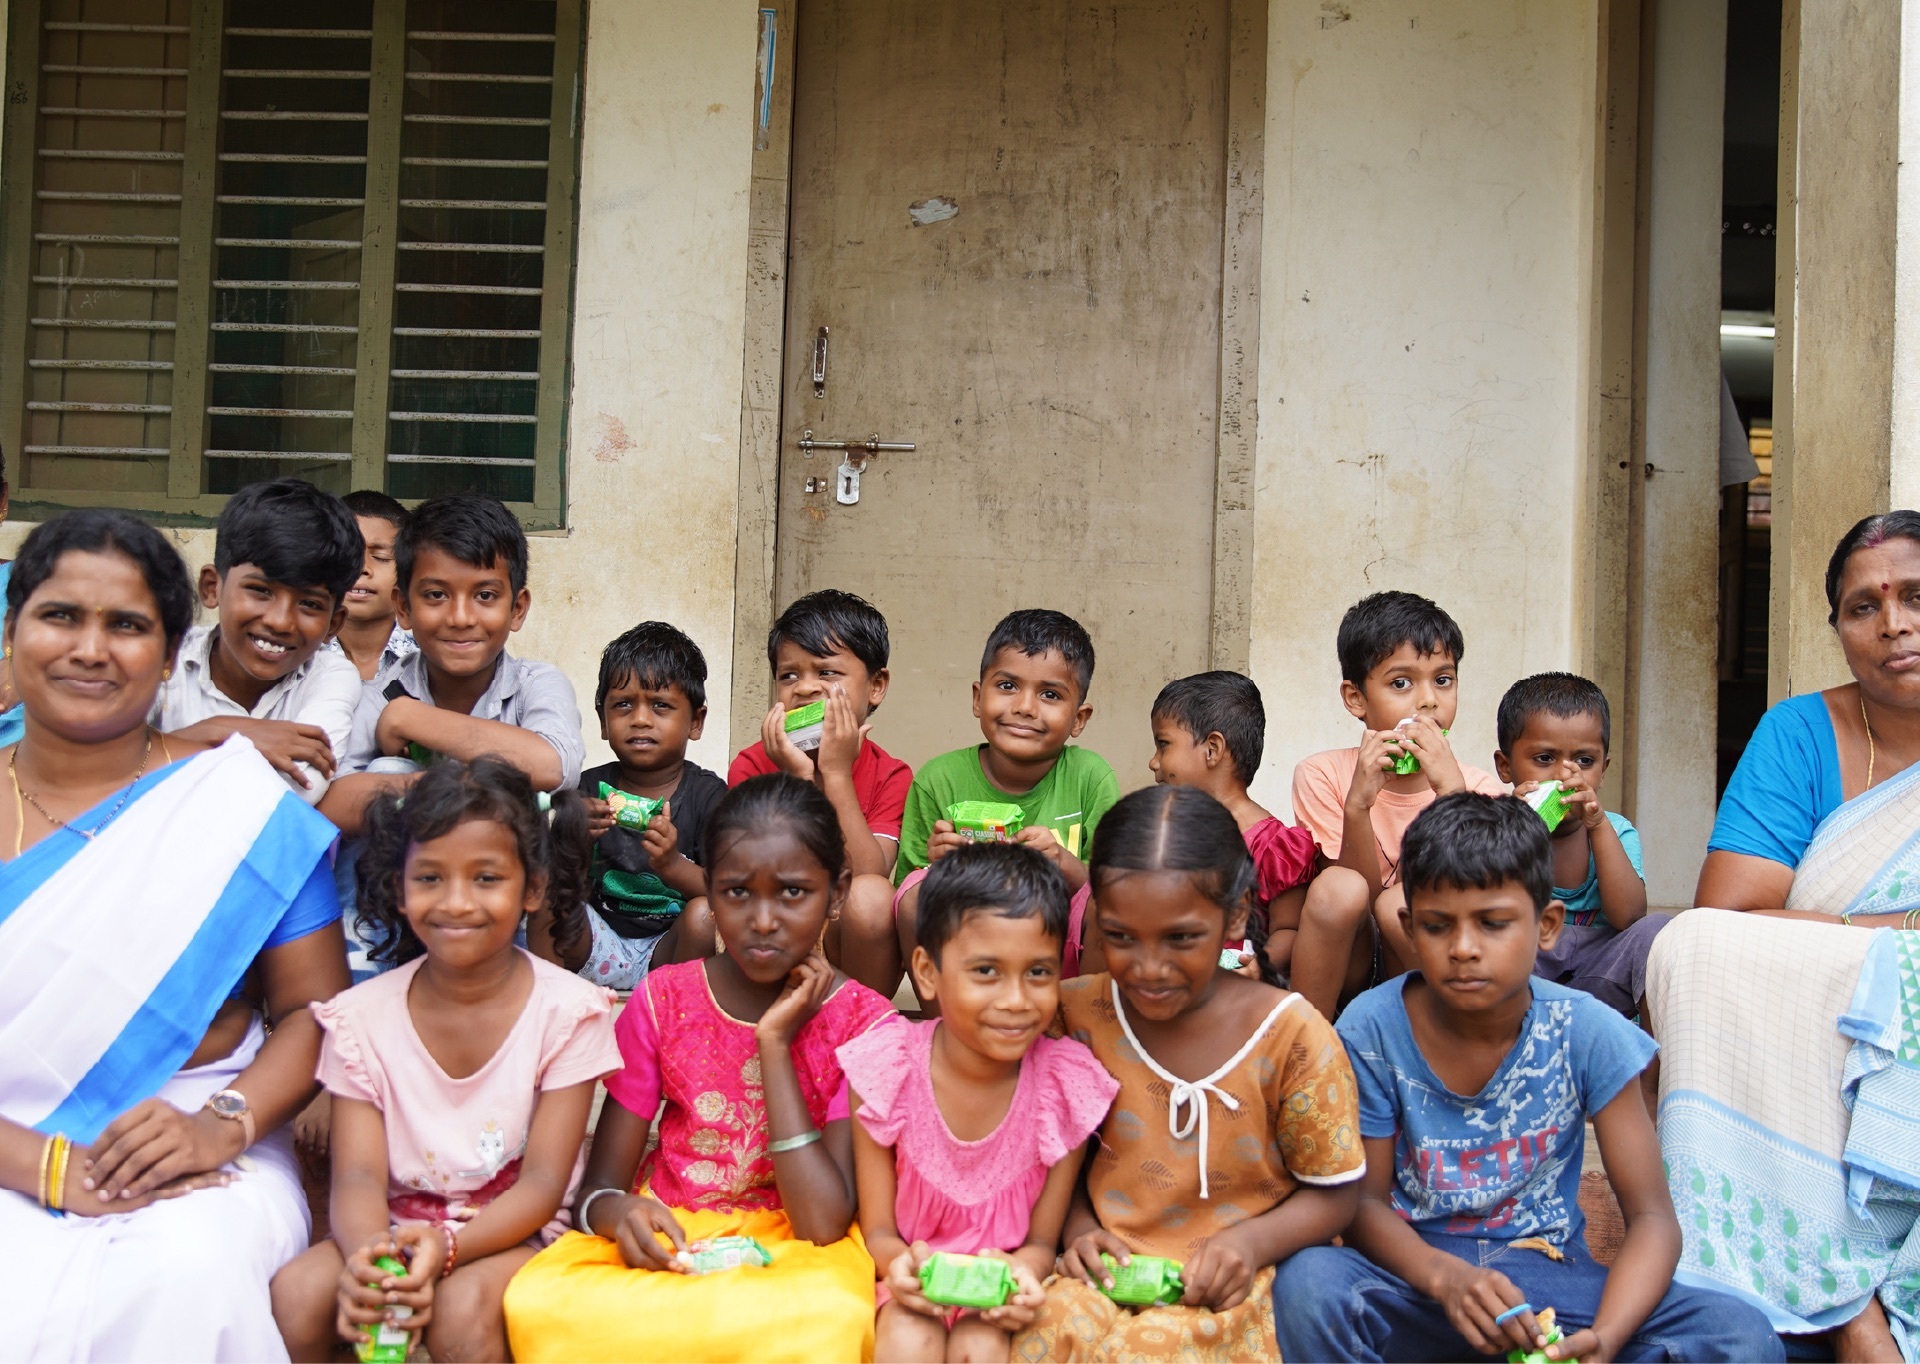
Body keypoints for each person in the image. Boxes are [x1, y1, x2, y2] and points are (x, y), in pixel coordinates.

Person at [0, 508, 349, 1361]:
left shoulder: (240, 812)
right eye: (60, 616)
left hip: (190, 1132)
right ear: (12, 633)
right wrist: (42, 1167)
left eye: (126, 625)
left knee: (187, 1271)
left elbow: (315, 1012)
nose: (91, 648)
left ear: (167, 653)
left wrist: (224, 1125)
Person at [1272, 793, 1782, 1364]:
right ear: (1410, 929)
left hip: (1549, 1279)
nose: (1464, 949)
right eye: (1439, 927)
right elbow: (1361, 1205)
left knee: (1739, 1334)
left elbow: (1653, 1219)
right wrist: (1445, 1278)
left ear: (1547, 926)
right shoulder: (1373, 1026)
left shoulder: (1586, 1030)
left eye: (1493, 924)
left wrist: (1606, 1338)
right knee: (1309, 1283)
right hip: (1418, 1277)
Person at [502, 774, 897, 1362]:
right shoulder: (664, 1001)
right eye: (738, 893)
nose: (763, 919)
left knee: (831, 1319)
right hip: (672, 1229)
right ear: (709, 891)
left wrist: (775, 1044)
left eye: (792, 893)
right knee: (538, 1302)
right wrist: (620, 1213)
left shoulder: (866, 1024)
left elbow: (822, 1220)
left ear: (836, 894)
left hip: (796, 1249)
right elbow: (600, 1188)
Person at [1649, 509, 1920, 1360]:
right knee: (1691, 945)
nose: (1894, 623)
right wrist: (1896, 932)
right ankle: (1843, 1304)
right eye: (1863, 607)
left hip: (1837, 976)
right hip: (1826, 987)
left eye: (1915, 596)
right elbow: (1731, 908)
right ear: (1839, 629)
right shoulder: (1800, 732)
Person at [271, 758, 620, 1362]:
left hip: (513, 1232)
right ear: (399, 888)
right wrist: (371, 1261)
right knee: (298, 1294)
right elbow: (356, 1177)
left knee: (459, 1316)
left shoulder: (567, 1013)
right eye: (430, 878)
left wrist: (448, 1249)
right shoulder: (361, 1019)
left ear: (532, 888)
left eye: (486, 878)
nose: (456, 903)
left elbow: (540, 1186)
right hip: (392, 1227)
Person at [1011, 785, 1366, 1362]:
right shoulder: (1073, 1015)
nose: (1149, 968)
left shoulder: (1292, 1036)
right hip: (1106, 1268)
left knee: (1153, 1353)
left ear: (1236, 915)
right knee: (1040, 1331)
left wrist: (1249, 1243)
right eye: (1121, 937)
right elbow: (1056, 1158)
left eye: (1181, 938)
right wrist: (1076, 1229)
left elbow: (1337, 1193)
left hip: (1238, 1282)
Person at [841, 844, 1117, 1363]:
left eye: (1038, 972)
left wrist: (1023, 1277)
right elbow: (877, 1229)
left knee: (981, 1343)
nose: (1016, 999)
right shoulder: (887, 1068)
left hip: (1000, 1296)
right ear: (926, 971)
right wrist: (901, 1267)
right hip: (909, 1281)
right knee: (907, 1337)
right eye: (986, 971)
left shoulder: (1065, 1087)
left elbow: (1041, 1242)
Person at [320, 493, 584, 980]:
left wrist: (410, 720)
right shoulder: (383, 690)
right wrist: (450, 790)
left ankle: (540, 984)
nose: (461, 617)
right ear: (403, 606)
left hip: (503, 902)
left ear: (517, 607)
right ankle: (362, 967)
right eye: (436, 595)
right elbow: (331, 800)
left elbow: (555, 766)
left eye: (485, 595)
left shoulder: (535, 683)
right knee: (386, 773)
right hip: (408, 897)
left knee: (558, 809)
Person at [1290, 590, 1504, 1018]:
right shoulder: (1323, 773)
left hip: (1427, 957)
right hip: (1349, 959)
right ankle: (1304, 1047)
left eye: (1443, 679)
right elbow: (1357, 898)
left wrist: (1451, 797)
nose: (1427, 700)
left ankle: (1455, 1039)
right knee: (1338, 888)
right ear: (1356, 698)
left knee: (1400, 903)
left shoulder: (1480, 789)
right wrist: (1358, 805)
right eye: (1401, 683)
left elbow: (1470, 899)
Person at [896, 609, 1120, 983]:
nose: (1024, 707)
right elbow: (905, 901)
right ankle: (946, 1027)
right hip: (968, 958)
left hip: (1059, 966)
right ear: (977, 697)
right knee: (916, 893)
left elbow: (1113, 895)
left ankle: (1081, 1024)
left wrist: (1064, 864)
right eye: (1007, 686)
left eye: (1050, 694)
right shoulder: (938, 779)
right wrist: (938, 867)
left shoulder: (1091, 778)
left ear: (1079, 718)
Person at [730, 589, 910, 996]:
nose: (805, 688)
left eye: (827, 673)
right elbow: (753, 877)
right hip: (774, 930)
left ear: (876, 686)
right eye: (788, 675)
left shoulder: (891, 774)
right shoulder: (752, 766)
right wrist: (796, 779)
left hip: (851, 943)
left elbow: (868, 876)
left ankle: (859, 1027)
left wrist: (835, 773)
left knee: (871, 896)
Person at [1148, 670, 1368, 995]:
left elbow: (1290, 931)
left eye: (1163, 744)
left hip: (1241, 993)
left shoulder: (1274, 847)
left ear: (1212, 749)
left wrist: (1255, 964)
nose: (1154, 763)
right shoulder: (1163, 833)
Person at [155, 478, 366, 804]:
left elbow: (295, 794)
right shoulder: (161, 660)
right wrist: (220, 730)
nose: (280, 621)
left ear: (333, 624)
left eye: (309, 604)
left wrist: (168, 749)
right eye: (260, 591)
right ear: (212, 588)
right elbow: (102, 767)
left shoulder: (331, 676)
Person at [553, 621, 726, 988]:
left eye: (661, 705)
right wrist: (574, 838)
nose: (641, 719)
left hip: (670, 949)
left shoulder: (709, 797)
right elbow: (557, 879)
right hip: (599, 944)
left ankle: (673, 1013)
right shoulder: (586, 788)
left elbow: (725, 892)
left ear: (696, 721)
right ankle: (549, 1001)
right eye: (624, 705)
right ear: (602, 720)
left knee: (702, 915)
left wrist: (672, 865)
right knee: (549, 900)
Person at [1492, 672, 1666, 1017]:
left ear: (1603, 770)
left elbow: (1628, 915)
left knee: (1658, 931)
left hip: (1597, 979)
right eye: (1544, 759)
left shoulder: (1614, 830)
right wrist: (1517, 828)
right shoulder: (1496, 827)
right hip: (1525, 974)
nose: (1565, 775)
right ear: (1505, 766)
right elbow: (1487, 904)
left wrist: (1597, 825)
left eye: (1584, 761)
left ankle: (1646, 1069)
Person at [324, 489, 416, 682]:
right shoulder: (297, 654)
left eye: (381, 557)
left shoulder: (426, 657)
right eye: (349, 554)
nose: (362, 568)